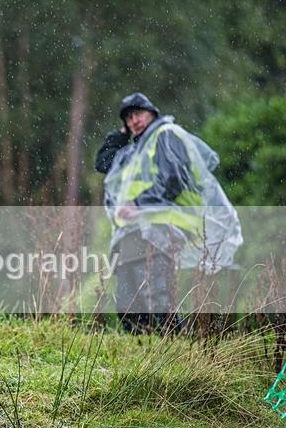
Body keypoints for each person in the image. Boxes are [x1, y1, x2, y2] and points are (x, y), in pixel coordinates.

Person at [95, 92, 241, 334]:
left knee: (156, 301)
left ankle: (175, 351)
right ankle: (142, 353)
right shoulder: (136, 149)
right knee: (127, 303)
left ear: (153, 113)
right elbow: (103, 163)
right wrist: (120, 135)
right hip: (134, 231)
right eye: (129, 118)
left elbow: (174, 179)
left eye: (139, 114)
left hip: (161, 228)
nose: (134, 121)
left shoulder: (165, 135)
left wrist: (138, 203)